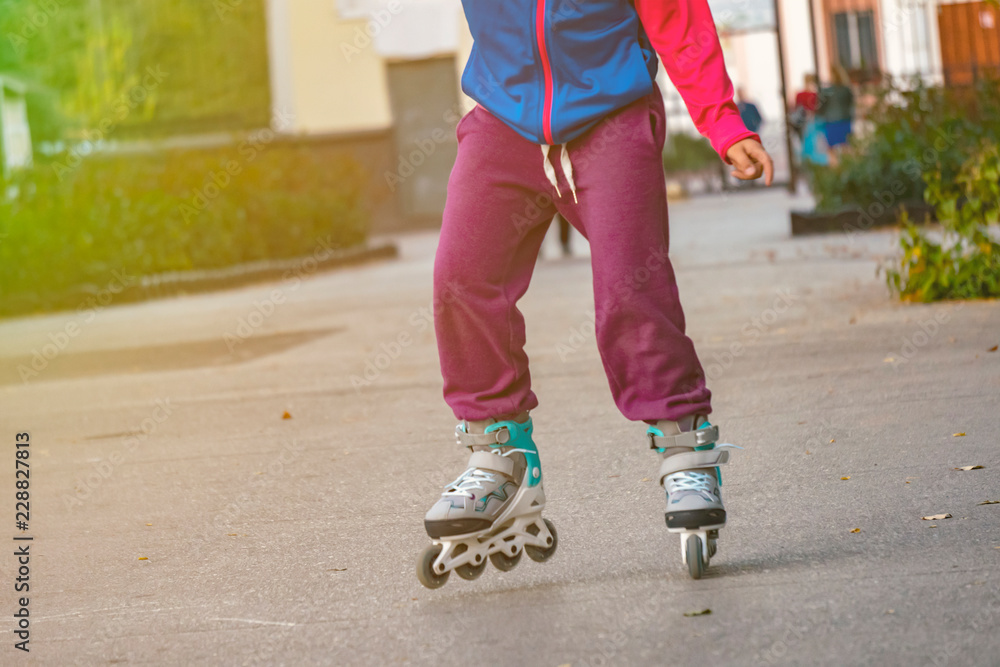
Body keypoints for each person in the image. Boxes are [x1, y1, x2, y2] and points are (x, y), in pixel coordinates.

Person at [416, 0, 773, 588]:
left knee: (630, 284)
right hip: (504, 118)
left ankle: (684, 444)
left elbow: (679, 19)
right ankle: (498, 450)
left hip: (612, 116)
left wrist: (722, 121)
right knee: (461, 278)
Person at [817, 66, 855, 158]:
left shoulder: (826, 91)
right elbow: (851, 104)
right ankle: (848, 167)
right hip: (845, 120)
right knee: (847, 147)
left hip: (831, 122)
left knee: (831, 149)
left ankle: (835, 169)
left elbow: (820, 108)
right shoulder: (846, 89)